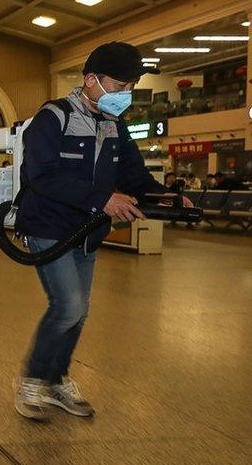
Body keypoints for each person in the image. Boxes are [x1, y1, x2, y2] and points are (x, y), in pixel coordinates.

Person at [12, 41, 193, 421]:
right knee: (68, 306)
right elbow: (40, 176)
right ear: (90, 80)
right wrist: (102, 199)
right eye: (119, 85)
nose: (124, 94)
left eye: (130, 87)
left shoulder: (114, 124)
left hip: (88, 229)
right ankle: (31, 380)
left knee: (80, 312)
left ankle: (57, 380)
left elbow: (133, 174)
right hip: (49, 226)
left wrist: (168, 197)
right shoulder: (53, 117)